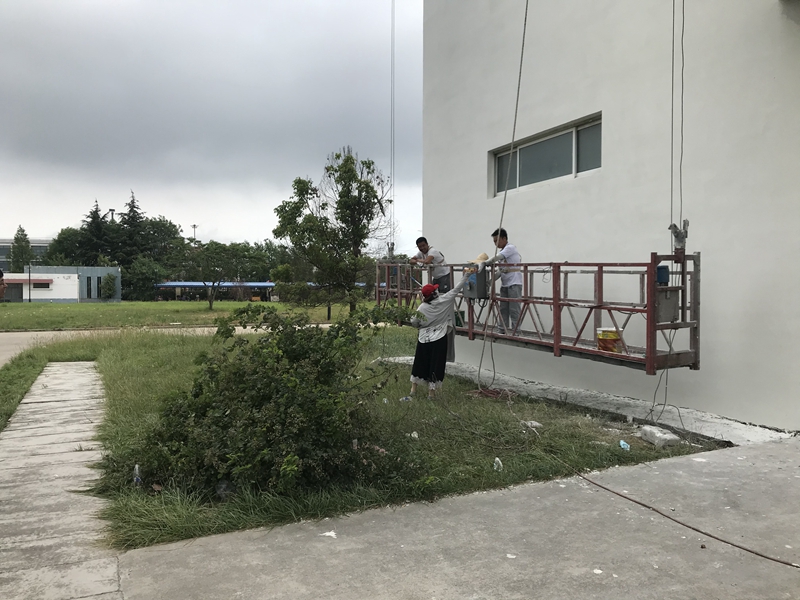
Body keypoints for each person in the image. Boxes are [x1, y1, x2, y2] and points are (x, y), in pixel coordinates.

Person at [404, 273, 468, 399]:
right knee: (436, 364)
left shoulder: (422, 308)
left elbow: (414, 322)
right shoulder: (445, 300)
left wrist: (422, 325)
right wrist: (467, 275)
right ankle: (431, 394)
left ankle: (413, 390)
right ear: (434, 294)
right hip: (439, 338)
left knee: (420, 363)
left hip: (424, 338)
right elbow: (457, 288)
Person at [478, 228, 523, 334]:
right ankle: (502, 329)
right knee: (503, 308)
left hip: (514, 283)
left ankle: (516, 331)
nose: (495, 244)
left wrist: (485, 263)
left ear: (504, 238)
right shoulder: (503, 252)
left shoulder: (510, 248)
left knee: (514, 309)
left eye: (497, 240)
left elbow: (496, 258)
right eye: (494, 241)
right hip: (505, 284)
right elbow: (501, 270)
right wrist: (490, 281)